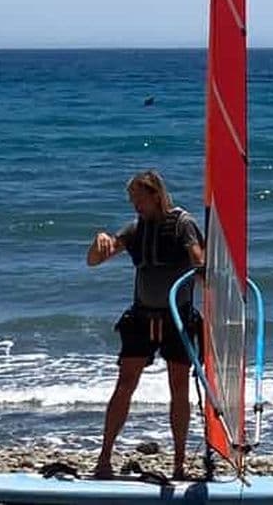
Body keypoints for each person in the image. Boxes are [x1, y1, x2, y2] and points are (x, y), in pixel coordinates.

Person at [87, 170, 205, 481]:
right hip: (141, 317)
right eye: (131, 199)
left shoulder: (183, 224)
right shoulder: (136, 228)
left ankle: (180, 464)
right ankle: (103, 460)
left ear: (155, 195)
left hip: (176, 319)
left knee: (179, 388)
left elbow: (198, 260)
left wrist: (204, 268)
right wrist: (99, 240)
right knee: (124, 385)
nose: (134, 204)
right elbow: (95, 260)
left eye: (138, 198)